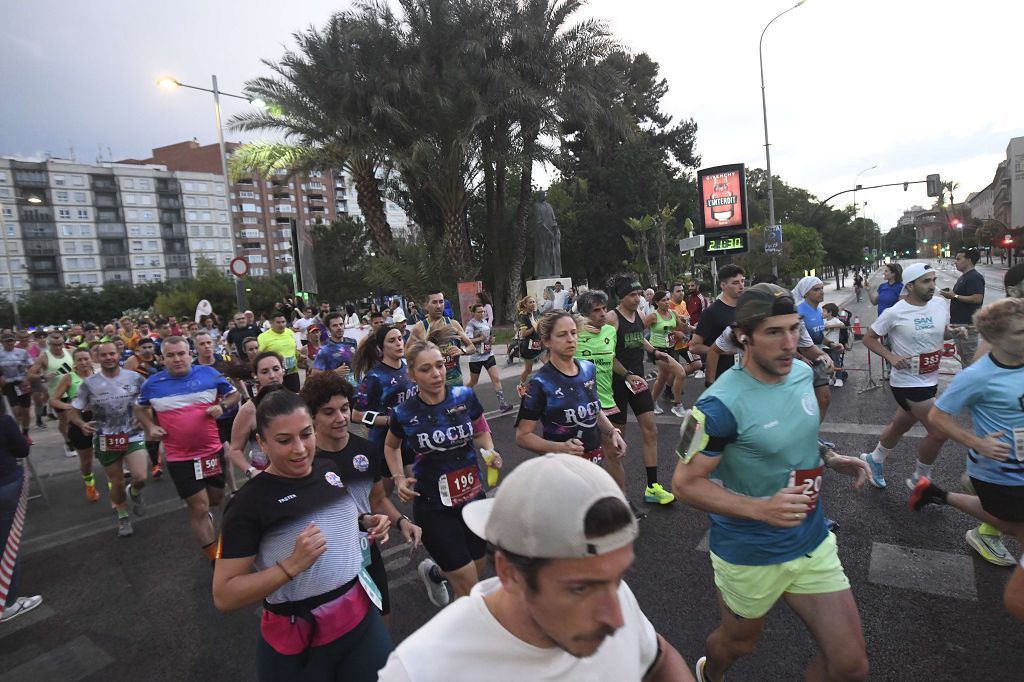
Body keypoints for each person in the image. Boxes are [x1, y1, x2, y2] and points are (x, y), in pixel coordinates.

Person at [672, 283, 870, 682]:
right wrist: (762, 509)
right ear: (744, 337)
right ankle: (710, 673)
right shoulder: (717, 406)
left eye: (794, 329)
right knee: (739, 644)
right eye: (774, 332)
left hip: (811, 538)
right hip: (750, 550)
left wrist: (829, 456)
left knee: (850, 667)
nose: (789, 343)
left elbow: (785, 434)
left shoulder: (799, 373)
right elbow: (685, 483)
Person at [379, 453, 691, 681]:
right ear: (510, 573)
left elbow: (658, 659)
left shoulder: (612, 592)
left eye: (619, 576)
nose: (616, 618)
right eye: (580, 588)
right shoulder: (421, 669)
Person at [213, 389, 394, 680]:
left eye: (306, 434)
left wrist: (365, 520)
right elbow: (224, 595)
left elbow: (337, 518)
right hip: (299, 638)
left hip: (360, 618)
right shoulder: (247, 504)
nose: (299, 449)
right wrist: (290, 567)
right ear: (261, 442)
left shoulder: (327, 469)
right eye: (284, 440)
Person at [910, 297, 1024, 616]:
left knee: (1011, 524)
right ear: (997, 338)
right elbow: (938, 417)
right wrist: (977, 442)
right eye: (1019, 333)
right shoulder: (977, 376)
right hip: (999, 474)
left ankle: (936, 493)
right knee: (1015, 527)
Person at [384, 332, 503, 606]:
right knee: (471, 589)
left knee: (476, 567)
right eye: (426, 369)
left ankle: (435, 573)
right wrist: (399, 477)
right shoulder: (405, 412)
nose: (436, 373)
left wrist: (490, 452)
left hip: (473, 500)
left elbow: (481, 429)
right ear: (412, 375)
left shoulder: (464, 396)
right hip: (434, 508)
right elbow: (391, 447)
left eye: (439, 365)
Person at [303, 372, 424, 625]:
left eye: (345, 409)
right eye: (329, 412)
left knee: (382, 618)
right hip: (325, 559)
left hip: (365, 550)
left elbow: (377, 499)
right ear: (312, 416)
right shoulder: (303, 461)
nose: (340, 418)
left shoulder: (367, 450)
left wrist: (402, 522)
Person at [134, 336, 240, 560]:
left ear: (190, 354)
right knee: (199, 508)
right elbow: (139, 408)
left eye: (181, 354)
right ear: (162, 359)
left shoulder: (209, 374)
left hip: (211, 451)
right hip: (179, 457)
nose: (177, 359)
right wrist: (151, 427)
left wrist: (222, 406)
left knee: (215, 499)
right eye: (170, 355)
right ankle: (215, 558)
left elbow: (234, 394)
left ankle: (207, 521)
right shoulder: (152, 384)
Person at [860, 263, 954, 490]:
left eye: (933, 280)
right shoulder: (895, 312)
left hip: (930, 378)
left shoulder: (940, 304)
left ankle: (875, 458)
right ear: (909, 286)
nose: (932, 286)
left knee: (900, 425)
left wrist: (954, 333)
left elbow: (942, 331)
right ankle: (920, 478)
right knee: (939, 431)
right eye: (925, 281)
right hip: (907, 382)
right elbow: (869, 338)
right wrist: (891, 357)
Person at [515, 310, 627, 466]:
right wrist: (559, 447)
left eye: (574, 333)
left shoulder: (588, 369)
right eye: (562, 335)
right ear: (547, 341)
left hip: (594, 464)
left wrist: (612, 431)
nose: (571, 339)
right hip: (562, 470)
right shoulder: (540, 383)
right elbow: (522, 436)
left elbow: (593, 408)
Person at [606, 275, 675, 508]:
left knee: (651, 429)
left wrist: (655, 353)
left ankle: (652, 487)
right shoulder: (612, 318)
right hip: (617, 383)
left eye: (638, 295)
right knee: (618, 440)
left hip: (637, 381)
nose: (637, 299)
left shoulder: (638, 315)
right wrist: (626, 375)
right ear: (621, 297)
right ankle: (615, 494)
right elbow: (608, 355)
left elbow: (639, 338)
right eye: (632, 295)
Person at [69, 342, 149, 537]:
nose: (109, 358)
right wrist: (81, 424)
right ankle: (123, 516)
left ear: (118, 354)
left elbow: (148, 402)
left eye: (112, 353)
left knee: (140, 477)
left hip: (132, 433)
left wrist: (146, 420)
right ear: (97, 358)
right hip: (106, 437)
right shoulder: (89, 384)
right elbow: (73, 411)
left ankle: (135, 493)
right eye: (104, 355)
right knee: (117, 482)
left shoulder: (135, 377)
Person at [351, 325, 419, 496]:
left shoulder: (408, 367)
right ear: (382, 347)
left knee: (421, 487)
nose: (398, 343)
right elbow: (356, 415)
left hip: (409, 440)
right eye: (391, 340)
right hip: (384, 444)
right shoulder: (374, 377)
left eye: (399, 338)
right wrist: (389, 420)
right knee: (384, 496)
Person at [0, 413, 40, 623]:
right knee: (7, 546)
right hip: (5, 484)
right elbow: (22, 450)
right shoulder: (4, 420)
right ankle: (9, 603)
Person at [50, 347, 99, 502]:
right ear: (75, 362)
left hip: (100, 420)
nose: (83, 362)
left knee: (109, 456)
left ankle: (115, 493)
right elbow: (54, 400)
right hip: (79, 421)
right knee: (87, 460)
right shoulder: (69, 378)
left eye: (86, 358)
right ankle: (90, 484)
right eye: (80, 359)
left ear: (92, 359)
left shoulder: (100, 375)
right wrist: (69, 407)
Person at [227, 352, 286, 479]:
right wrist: (251, 471)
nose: (272, 376)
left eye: (276, 369)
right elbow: (234, 450)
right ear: (255, 376)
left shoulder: (297, 401)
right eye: (264, 372)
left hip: (297, 471)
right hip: (266, 476)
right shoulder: (249, 410)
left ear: (283, 370)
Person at [643, 290, 696, 418]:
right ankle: (677, 406)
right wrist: (649, 347)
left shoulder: (673, 313)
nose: (667, 302)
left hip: (670, 349)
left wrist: (695, 327)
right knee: (680, 373)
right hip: (657, 350)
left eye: (667, 299)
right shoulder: (653, 316)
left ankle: (651, 403)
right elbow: (638, 331)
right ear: (656, 302)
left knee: (662, 378)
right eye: (663, 300)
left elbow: (683, 328)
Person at [409, 291, 477, 390]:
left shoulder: (453, 324)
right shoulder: (419, 328)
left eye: (441, 302)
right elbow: (408, 357)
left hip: (455, 383)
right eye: (434, 302)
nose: (438, 306)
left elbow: (472, 347)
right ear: (426, 306)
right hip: (433, 386)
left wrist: (462, 351)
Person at [690, 265, 745, 385]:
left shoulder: (746, 308)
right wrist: (722, 350)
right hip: (721, 376)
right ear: (723, 285)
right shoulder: (712, 312)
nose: (741, 286)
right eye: (735, 283)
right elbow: (694, 346)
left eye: (742, 281)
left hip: (744, 374)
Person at [28, 329, 76, 458]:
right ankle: (68, 442)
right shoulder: (44, 357)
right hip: (57, 395)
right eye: (55, 344)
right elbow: (30, 374)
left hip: (73, 391)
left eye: (60, 343)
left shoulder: (70, 352)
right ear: (49, 344)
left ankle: (78, 440)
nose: (58, 347)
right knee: (65, 421)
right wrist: (43, 377)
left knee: (77, 417)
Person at [792, 276, 834, 419]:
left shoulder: (818, 311)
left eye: (822, 288)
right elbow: (798, 342)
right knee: (804, 404)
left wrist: (832, 344)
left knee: (825, 400)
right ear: (805, 293)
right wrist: (801, 357)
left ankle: (814, 436)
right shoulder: (798, 311)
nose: (821, 292)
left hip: (818, 358)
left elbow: (817, 334)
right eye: (816, 289)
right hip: (802, 362)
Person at [940, 248, 985, 365]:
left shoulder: (974, 277)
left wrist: (954, 296)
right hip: (958, 326)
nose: (955, 262)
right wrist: (952, 295)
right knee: (965, 360)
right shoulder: (964, 277)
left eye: (958, 259)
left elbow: (977, 298)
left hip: (967, 327)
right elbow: (958, 296)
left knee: (970, 361)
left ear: (968, 260)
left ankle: (974, 383)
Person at [463, 304, 511, 412]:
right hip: (476, 357)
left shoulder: (485, 322)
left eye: (483, 311)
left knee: (496, 378)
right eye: (479, 312)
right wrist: (480, 338)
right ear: (473, 313)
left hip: (488, 354)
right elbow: (467, 340)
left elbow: (487, 337)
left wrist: (490, 340)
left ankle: (503, 404)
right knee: (473, 382)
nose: (482, 314)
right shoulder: (471, 325)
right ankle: (460, 396)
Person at [0, 331, 34, 439]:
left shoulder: (22, 352)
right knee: (16, 411)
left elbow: (31, 367)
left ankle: (25, 432)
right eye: (6, 342)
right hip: (8, 384)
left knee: (26, 411)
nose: (9, 343)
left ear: (14, 341)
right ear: (2, 343)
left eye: (11, 341)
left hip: (22, 383)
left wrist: (27, 379)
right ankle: (17, 434)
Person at [310, 312, 356, 386]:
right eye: (335, 325)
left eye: (341, 324)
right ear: (328, 329)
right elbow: (314, 374)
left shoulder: (352, 342)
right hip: (336, 391)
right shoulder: (324, 349)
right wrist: (334, 373)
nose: (339, 328)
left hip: (354, 389)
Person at [258, 313, 301, 392]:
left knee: (294, 396)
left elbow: (294, 349)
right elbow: (258, 355)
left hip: (292, 372)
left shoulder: (289, 332)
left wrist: (300, 356)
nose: (281, 325)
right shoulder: (263, 337)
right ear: (271, 323)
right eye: (278, 322)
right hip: (275, 374)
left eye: (283, 322)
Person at [515, 295, 543, 396]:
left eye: (534, 302)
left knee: (548, 364)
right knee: (528, 369)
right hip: (529, 347)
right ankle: (521, 386)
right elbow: (524, 333)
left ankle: (549, 385)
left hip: (539, 344)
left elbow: (540, 325)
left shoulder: (536, 313)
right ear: (525, 305)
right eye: (530, 302)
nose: (533, 304)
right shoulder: (523, 316)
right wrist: (534, 328)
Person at [822, 303, 848, 388]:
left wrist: (830, 326)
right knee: (827, 363)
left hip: (834, 346)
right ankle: (830, 378)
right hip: (824, 346)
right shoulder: (823, 320)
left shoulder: (835, 320)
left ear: (830, 312)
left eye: (824, 311)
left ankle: (839, 379)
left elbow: (842, 324)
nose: (822, 313)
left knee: (836, 362)